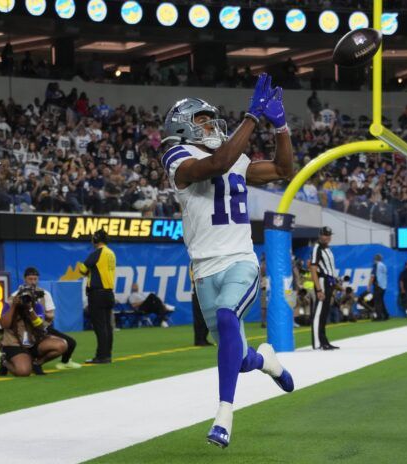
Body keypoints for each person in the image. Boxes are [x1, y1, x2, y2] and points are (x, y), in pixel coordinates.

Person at [161, 73, 294, 448]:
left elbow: (284, 170)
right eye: (202, 120)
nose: (210, 124)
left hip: (240, 259)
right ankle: (267, 361)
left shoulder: (233, 155)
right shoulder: (177, 155)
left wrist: (281, 126)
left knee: (225, 319)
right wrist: (252, 118)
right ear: (182, 126)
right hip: (204, 271)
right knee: (234, 357)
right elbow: (217, 164)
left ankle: (224, 416)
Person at [20, 267, 81, 369]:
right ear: (25, 279)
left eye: (35, 279)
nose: (33, 282)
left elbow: (51, 315)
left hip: (42, 328)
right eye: (30, 279)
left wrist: (39, 313)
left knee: (70, 343)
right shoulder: (17, 295)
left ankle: (55, 362)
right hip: (24, 330)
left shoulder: (44, 294)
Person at [0, 287, 67, 376]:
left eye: (29, 297)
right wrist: (14, 307)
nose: (26, 300)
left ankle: (37, 363)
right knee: (23, 372)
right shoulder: (9, 304)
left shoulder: (36, 306)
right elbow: (4, 325)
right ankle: (5, 362)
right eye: (24, 297)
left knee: (61, 345)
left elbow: (40, 327)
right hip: (15, 343)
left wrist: (30, 309)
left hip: (33, 342)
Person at [78, 229, 116, 364]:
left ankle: (101, 356)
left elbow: (82, 269)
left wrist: (85, 269)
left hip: (97, 294)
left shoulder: (98, 253)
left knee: (100, 326)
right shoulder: (111, 253)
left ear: (95, 239)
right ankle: (107, 354)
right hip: (109, 293)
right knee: (107, 326)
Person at [310, 226, 339, 349]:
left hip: (329, 282)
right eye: (325, 235)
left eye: (329, 235)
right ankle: (317, 343)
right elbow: (313, 269)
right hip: (323, 281)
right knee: (318, 313)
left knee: (324, 313)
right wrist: (318, 289)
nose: (327, 237)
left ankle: (324, 341)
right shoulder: (317, 248)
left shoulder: (327, 249)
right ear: (320, 235)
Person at [370, 254, 389, 321]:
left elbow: (372, 276)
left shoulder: (376, 265)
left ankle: (379, 316)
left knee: (377, 301)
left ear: (375, 259)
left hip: (378, 285)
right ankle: (386, 315)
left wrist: (369, 286)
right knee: (381, 301)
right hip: (383, 286)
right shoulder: (383, 265)